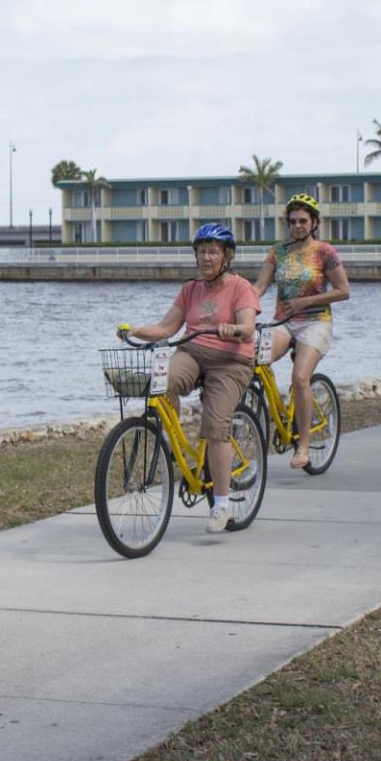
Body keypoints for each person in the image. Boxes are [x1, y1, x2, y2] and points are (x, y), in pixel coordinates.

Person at [123, 223, 260, 532]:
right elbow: (166, 329)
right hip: (194, 352)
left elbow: (248, 327)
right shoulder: (190, 288)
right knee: (161, 382)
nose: (206, 258)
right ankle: (175, 445)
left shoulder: (241, 287)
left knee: (215, 425)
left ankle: (221, 504)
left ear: (227, 256)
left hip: (231, 359)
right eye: (201, 252)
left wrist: (233, 329)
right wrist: (134, 331)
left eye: (213, 252)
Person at [251, 193, 351, 467]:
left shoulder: (325, 252)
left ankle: (303, 446)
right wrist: (241, 304)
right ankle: (274, 414)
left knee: (299, 376)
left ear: (314, 222)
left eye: (303, 221)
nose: (297, 226)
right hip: (284, 322)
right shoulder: (278, 251)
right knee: (252, 361)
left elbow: (343, 291)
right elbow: (259, 287)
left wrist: (306, 300)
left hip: (315, 321)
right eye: (293, 221)